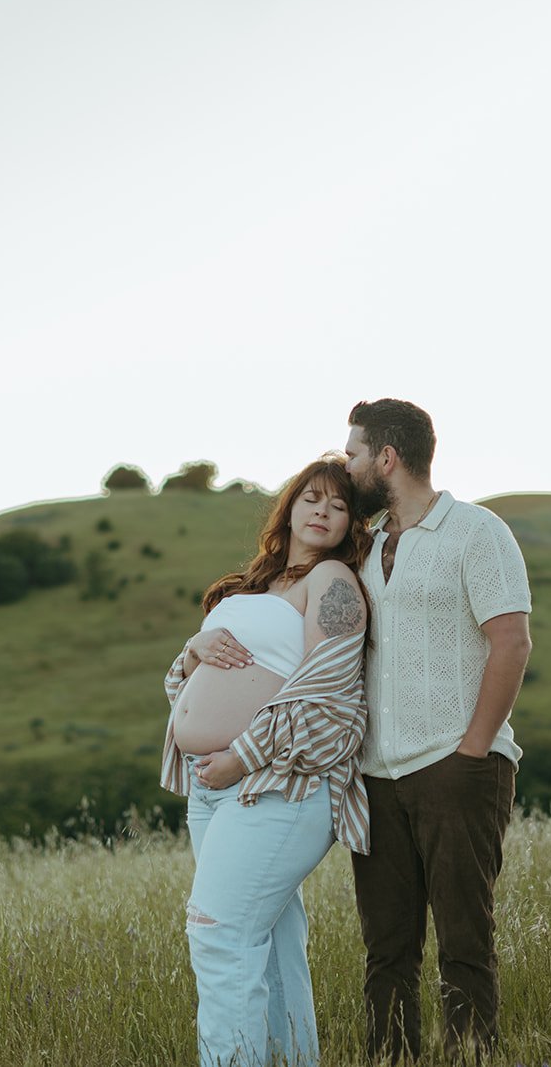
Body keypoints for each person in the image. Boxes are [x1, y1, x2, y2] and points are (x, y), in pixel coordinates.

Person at [159, 455, 373, 1067]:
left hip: (277, 785)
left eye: (339, 504)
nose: (323, 510)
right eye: (312, 497)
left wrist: (241, 757)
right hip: (214, 790)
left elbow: (331, 697)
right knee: (269, 941)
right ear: (290, 506)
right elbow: (192, 689)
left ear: (350, 523)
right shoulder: (250, 587)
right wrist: (195, 649)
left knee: (219, 934)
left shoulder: (332, 582)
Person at [341, 399, 533, 1062]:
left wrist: (471, 749)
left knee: (464, 944)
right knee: (386, 952)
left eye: (354, 453)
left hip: (455, 767)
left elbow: (510, 642)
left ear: (387, 459)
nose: (348, 465)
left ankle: (473, 1057)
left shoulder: (477, 532)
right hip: (373, 779)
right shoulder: (360, 545)